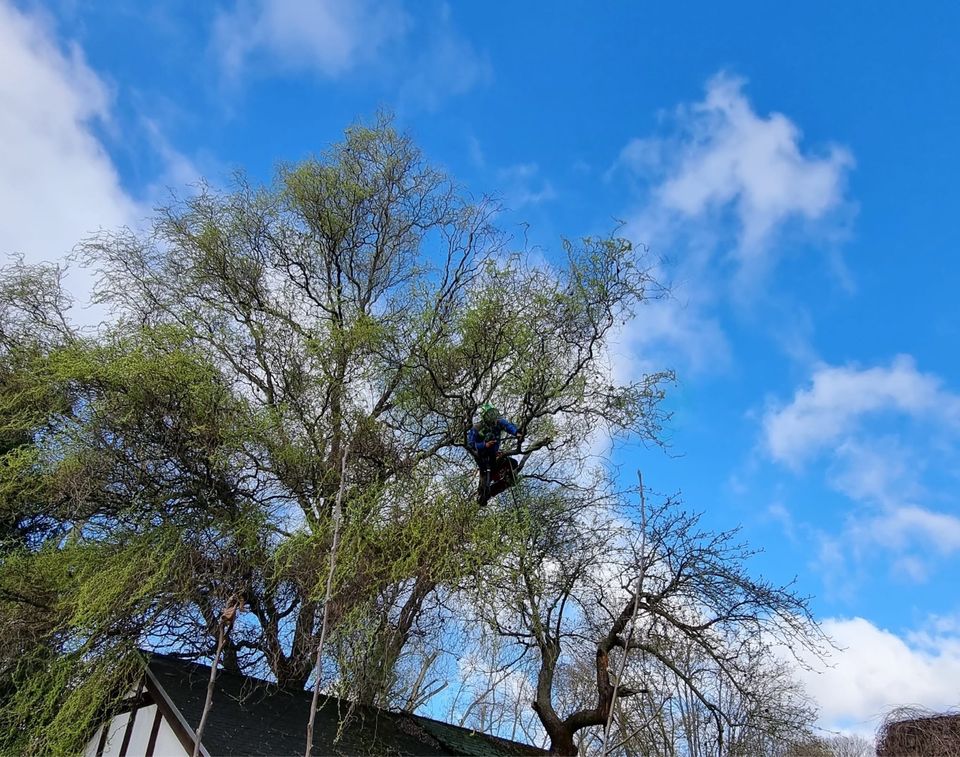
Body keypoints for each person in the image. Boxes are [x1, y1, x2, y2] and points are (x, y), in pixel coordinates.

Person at [467, 403, 523, 502]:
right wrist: (484, 445)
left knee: (513, 464)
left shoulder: (499, 422)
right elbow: (470, 444)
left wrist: (516, 433)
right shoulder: (477, 428)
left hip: (495, 455)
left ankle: (496, 488)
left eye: (493, 414)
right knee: (487, 476)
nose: (493, 418)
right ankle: (483, 491)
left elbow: (508, 426)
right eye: (489, 415)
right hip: (483, 456)